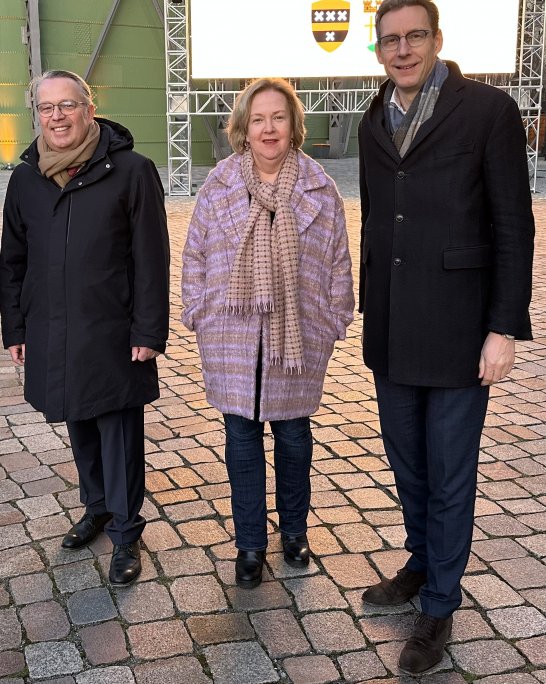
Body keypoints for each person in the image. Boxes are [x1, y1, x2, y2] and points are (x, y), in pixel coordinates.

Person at [358, 0, 535, 673]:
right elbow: (379, 216)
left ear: (436, 39)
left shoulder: (485, 112)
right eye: (389, 41)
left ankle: (437, 606)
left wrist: (502, 328)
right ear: (376, 49)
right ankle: (418, 560)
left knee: (450, 474)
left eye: (413, 37)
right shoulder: (375, 115)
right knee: (409, 466)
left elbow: (512, 226)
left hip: (462, 330)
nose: (401, 50)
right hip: (393, 327)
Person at [0, 70, 170, 587]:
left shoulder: (132, 171)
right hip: (52, 327)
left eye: (67, 105)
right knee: (78, 420)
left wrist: (148, 331)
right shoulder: (26, 178)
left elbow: (151, 258)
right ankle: (96, 508)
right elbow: (14, 259)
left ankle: (126, 531)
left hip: (114, 328)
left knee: (118, 431)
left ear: (88, 109)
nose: (56, 116)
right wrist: (16, 326)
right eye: (47, 108)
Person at [182, 78, 354, 589]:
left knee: (295, 437)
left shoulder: (319, 188)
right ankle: (250, 544)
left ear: (294, 125)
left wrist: (334, 315)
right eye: (258, 119)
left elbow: (339, 259)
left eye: (278, 117)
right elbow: (195, 252)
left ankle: (294, 533)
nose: (268, 128)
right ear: (243, 128)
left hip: (298, 335)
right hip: (232, 335)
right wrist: (199, 311)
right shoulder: (219, 185)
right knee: (240, 439)